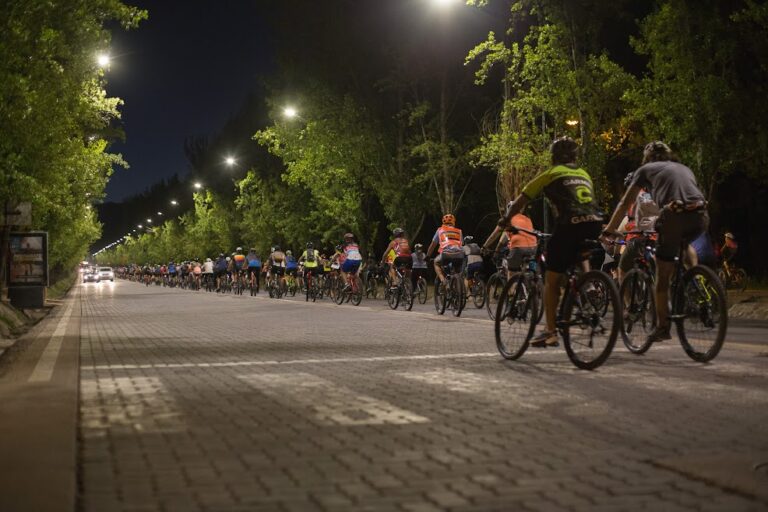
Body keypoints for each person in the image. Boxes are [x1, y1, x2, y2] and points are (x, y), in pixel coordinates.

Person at [491, 136, 604, 347]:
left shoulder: (550, 174)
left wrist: (506, 219)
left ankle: (550, 332)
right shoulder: (584, 174)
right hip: (595, 223)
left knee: (551, 281)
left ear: (553, 156)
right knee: (574, 259)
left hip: (570, 223)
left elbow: (520, 201)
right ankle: (585, 285)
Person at [603, 141, 709, 343]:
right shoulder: (683, 167)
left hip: (673, 216)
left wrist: (609, 228)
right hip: (701, 215)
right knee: (684, 244)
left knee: (661, 281)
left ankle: (662, 328)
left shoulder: (645, 170)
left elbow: (625, 203)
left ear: (647, 158)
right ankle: (694, 278)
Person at [426, 213, 464, 285]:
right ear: (453, 222)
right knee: (458, 271)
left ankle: (443, 281)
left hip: (446, 254)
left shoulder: (440, 230)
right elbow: (461, 244)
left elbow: (432, 245)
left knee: (436, 263)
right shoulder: (459, 231)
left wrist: (428, 256)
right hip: (459, 254)